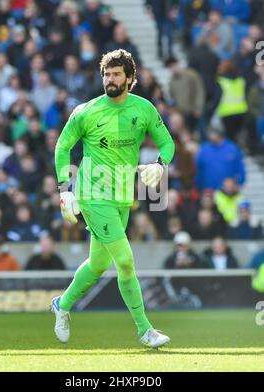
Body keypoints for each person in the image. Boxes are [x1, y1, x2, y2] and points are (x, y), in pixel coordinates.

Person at [51, 49, 175, 348]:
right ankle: (145, 330)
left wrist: (160, 166)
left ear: (130, 78)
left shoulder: (144, 109)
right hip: (93, 196)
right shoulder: (86, 111)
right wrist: (64, 188)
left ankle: (61, 304)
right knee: (125, 262)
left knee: (96, 265)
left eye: (117, 74)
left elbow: (167, 142)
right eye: (107, 74)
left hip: (122, 198)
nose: (110, 79)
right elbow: (62, 147)